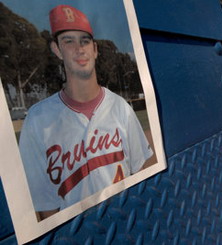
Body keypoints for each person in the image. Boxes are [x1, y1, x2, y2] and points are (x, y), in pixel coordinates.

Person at [19, 5, 153, 221]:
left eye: (85, 41)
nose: (79, 49)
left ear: (95, 49)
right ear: (56, 49)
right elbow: (46, 209)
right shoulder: (37, 120)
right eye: (68, 41)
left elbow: (141, 172)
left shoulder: (120, 107)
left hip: (125, 220)